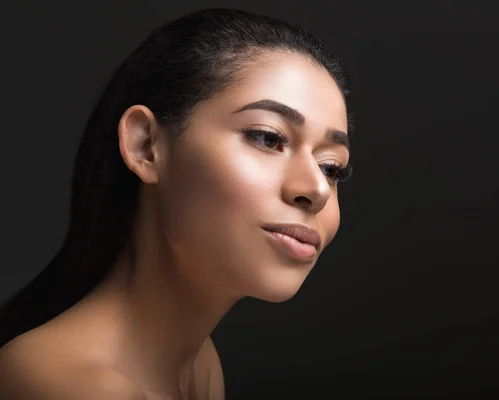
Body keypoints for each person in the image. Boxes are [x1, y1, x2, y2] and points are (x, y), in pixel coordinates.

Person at [0, 7, 353, 400]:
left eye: (332, 167)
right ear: (146, 145)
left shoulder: (198, 364)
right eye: (268, 138)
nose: (318, 189)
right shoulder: (76, 387)